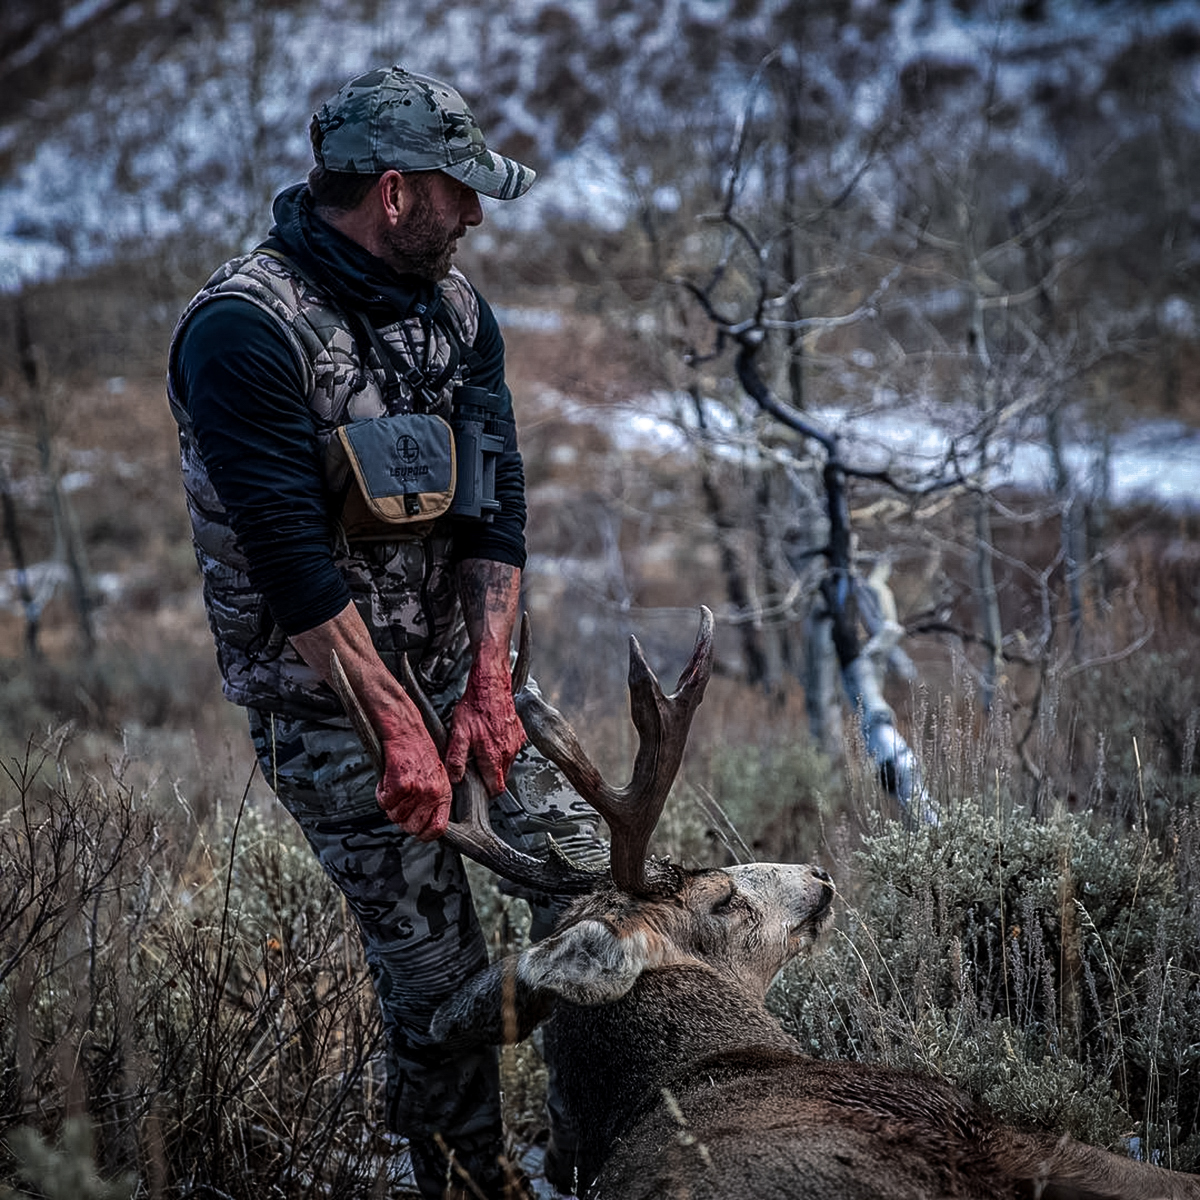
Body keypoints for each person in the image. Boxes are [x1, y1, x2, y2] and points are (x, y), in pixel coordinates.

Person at [167, 65, 602, 1200]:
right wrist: (398, 731)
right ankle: (464, 1181)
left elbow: (495, 508)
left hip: (466, 674)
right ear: (398, 194)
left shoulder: (461, 314)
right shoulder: (242, 332)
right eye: (461, 193)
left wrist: (491, 687)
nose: (476, 214)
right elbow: (292, 567)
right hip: (330, 710)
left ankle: (604, 1143)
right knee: (439, 975)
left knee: (592, 883)